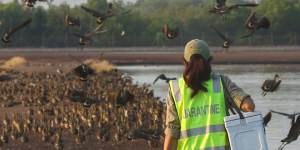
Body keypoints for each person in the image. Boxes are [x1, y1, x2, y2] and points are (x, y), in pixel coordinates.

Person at [164, 39, 255, 150]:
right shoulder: (222, 82)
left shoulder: (175, 88)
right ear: (209, 61)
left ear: (184, 62)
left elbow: (172, 133)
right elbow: (249, 106)